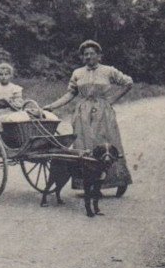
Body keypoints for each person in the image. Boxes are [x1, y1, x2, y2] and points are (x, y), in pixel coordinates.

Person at [43, 40, 133, 194]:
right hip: (82, 113)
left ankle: (119, 181)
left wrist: (112, 100)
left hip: (103, 112)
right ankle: (88, 185)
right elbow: (71, 93)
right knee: (84, 147)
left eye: (92, 54)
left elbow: (128, 83)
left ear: (99, 56)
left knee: (108, 143)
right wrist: (52, 106)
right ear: (82, 57)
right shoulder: (77, 73)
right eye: (86, 54)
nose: (89, 57)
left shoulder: (108, 71)